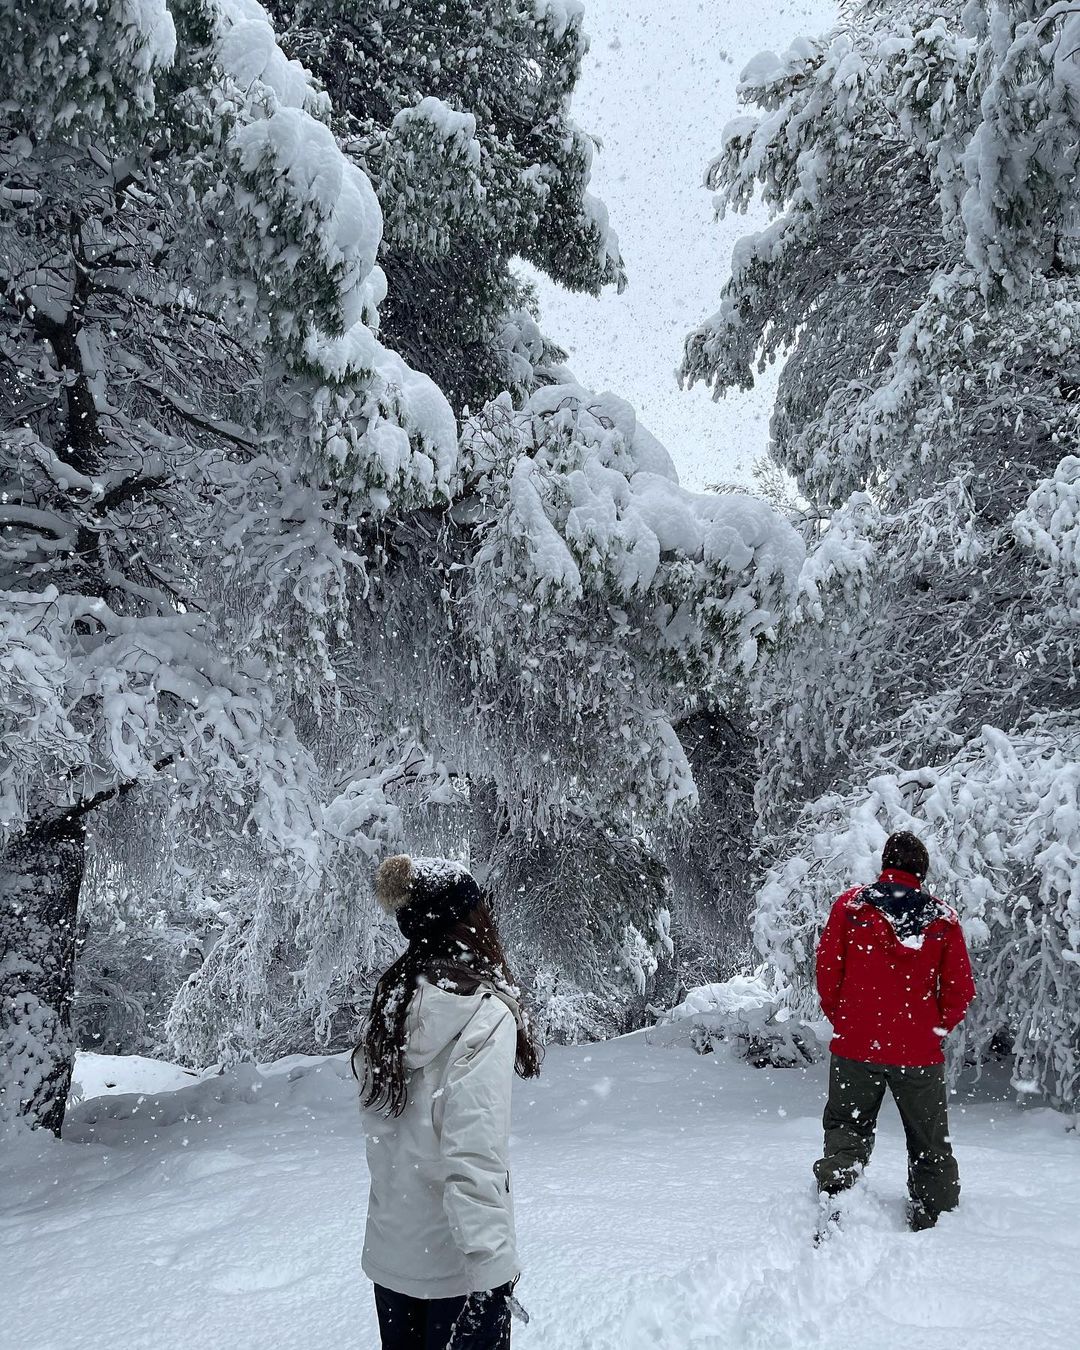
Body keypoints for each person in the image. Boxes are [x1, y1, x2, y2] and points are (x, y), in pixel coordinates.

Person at [353, 854, 542, 1350]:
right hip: (455, 1272)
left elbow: (386, 1140)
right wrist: (492, 1274)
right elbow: (473, 1153)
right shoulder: (482, 1015)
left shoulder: (391, 1007)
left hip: (393, 1261)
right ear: (468, 922)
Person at [813, 830, 976, 1231]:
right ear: (921, 871)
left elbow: (827, 970)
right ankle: (935, 1214)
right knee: (928, 1139)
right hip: (918, 1052)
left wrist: (846, 1019)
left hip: (856, 1045)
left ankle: (838, 1194)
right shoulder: (942, 918)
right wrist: (934, 1028)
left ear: (885, 865)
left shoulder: (851, 907)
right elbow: (959, 990)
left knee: (848, 1127)